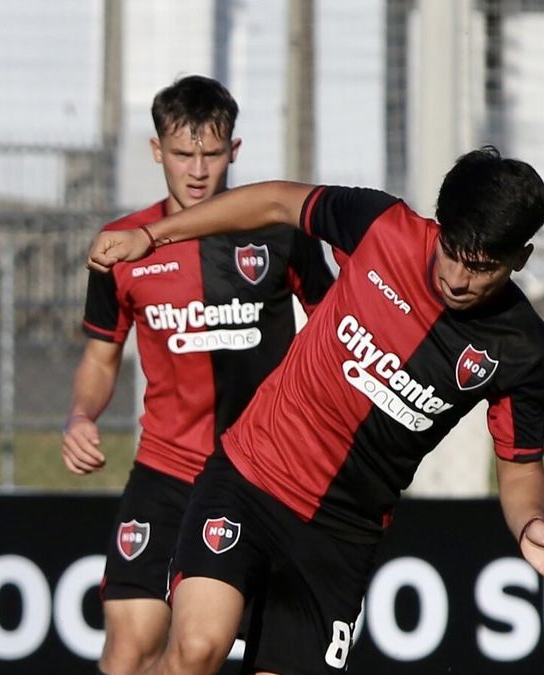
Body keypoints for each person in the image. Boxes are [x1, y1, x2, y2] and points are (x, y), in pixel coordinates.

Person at [88, 146, 544, 674]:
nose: (458, 278)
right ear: (440, 227)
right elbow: (280, 203)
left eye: (483, 267)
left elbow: (521, 465)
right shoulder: (381, 227)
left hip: (341, 536)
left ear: (521, 259)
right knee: (196, 648)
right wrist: (152, 235)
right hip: (251, 479)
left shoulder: (525, 351)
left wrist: (531, 521)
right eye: (453, 251)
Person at [62, 75, 334, 674]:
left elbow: (335, 332)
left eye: (211, 154)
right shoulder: (121, 248)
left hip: (260, 473)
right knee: (129, 650)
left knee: (209, 654)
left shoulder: (278, 232)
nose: (197, 170)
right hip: (166, 472)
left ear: (234, 151)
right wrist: (82, 415)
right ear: (157, 151)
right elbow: (101, 357)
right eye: (183, 154)